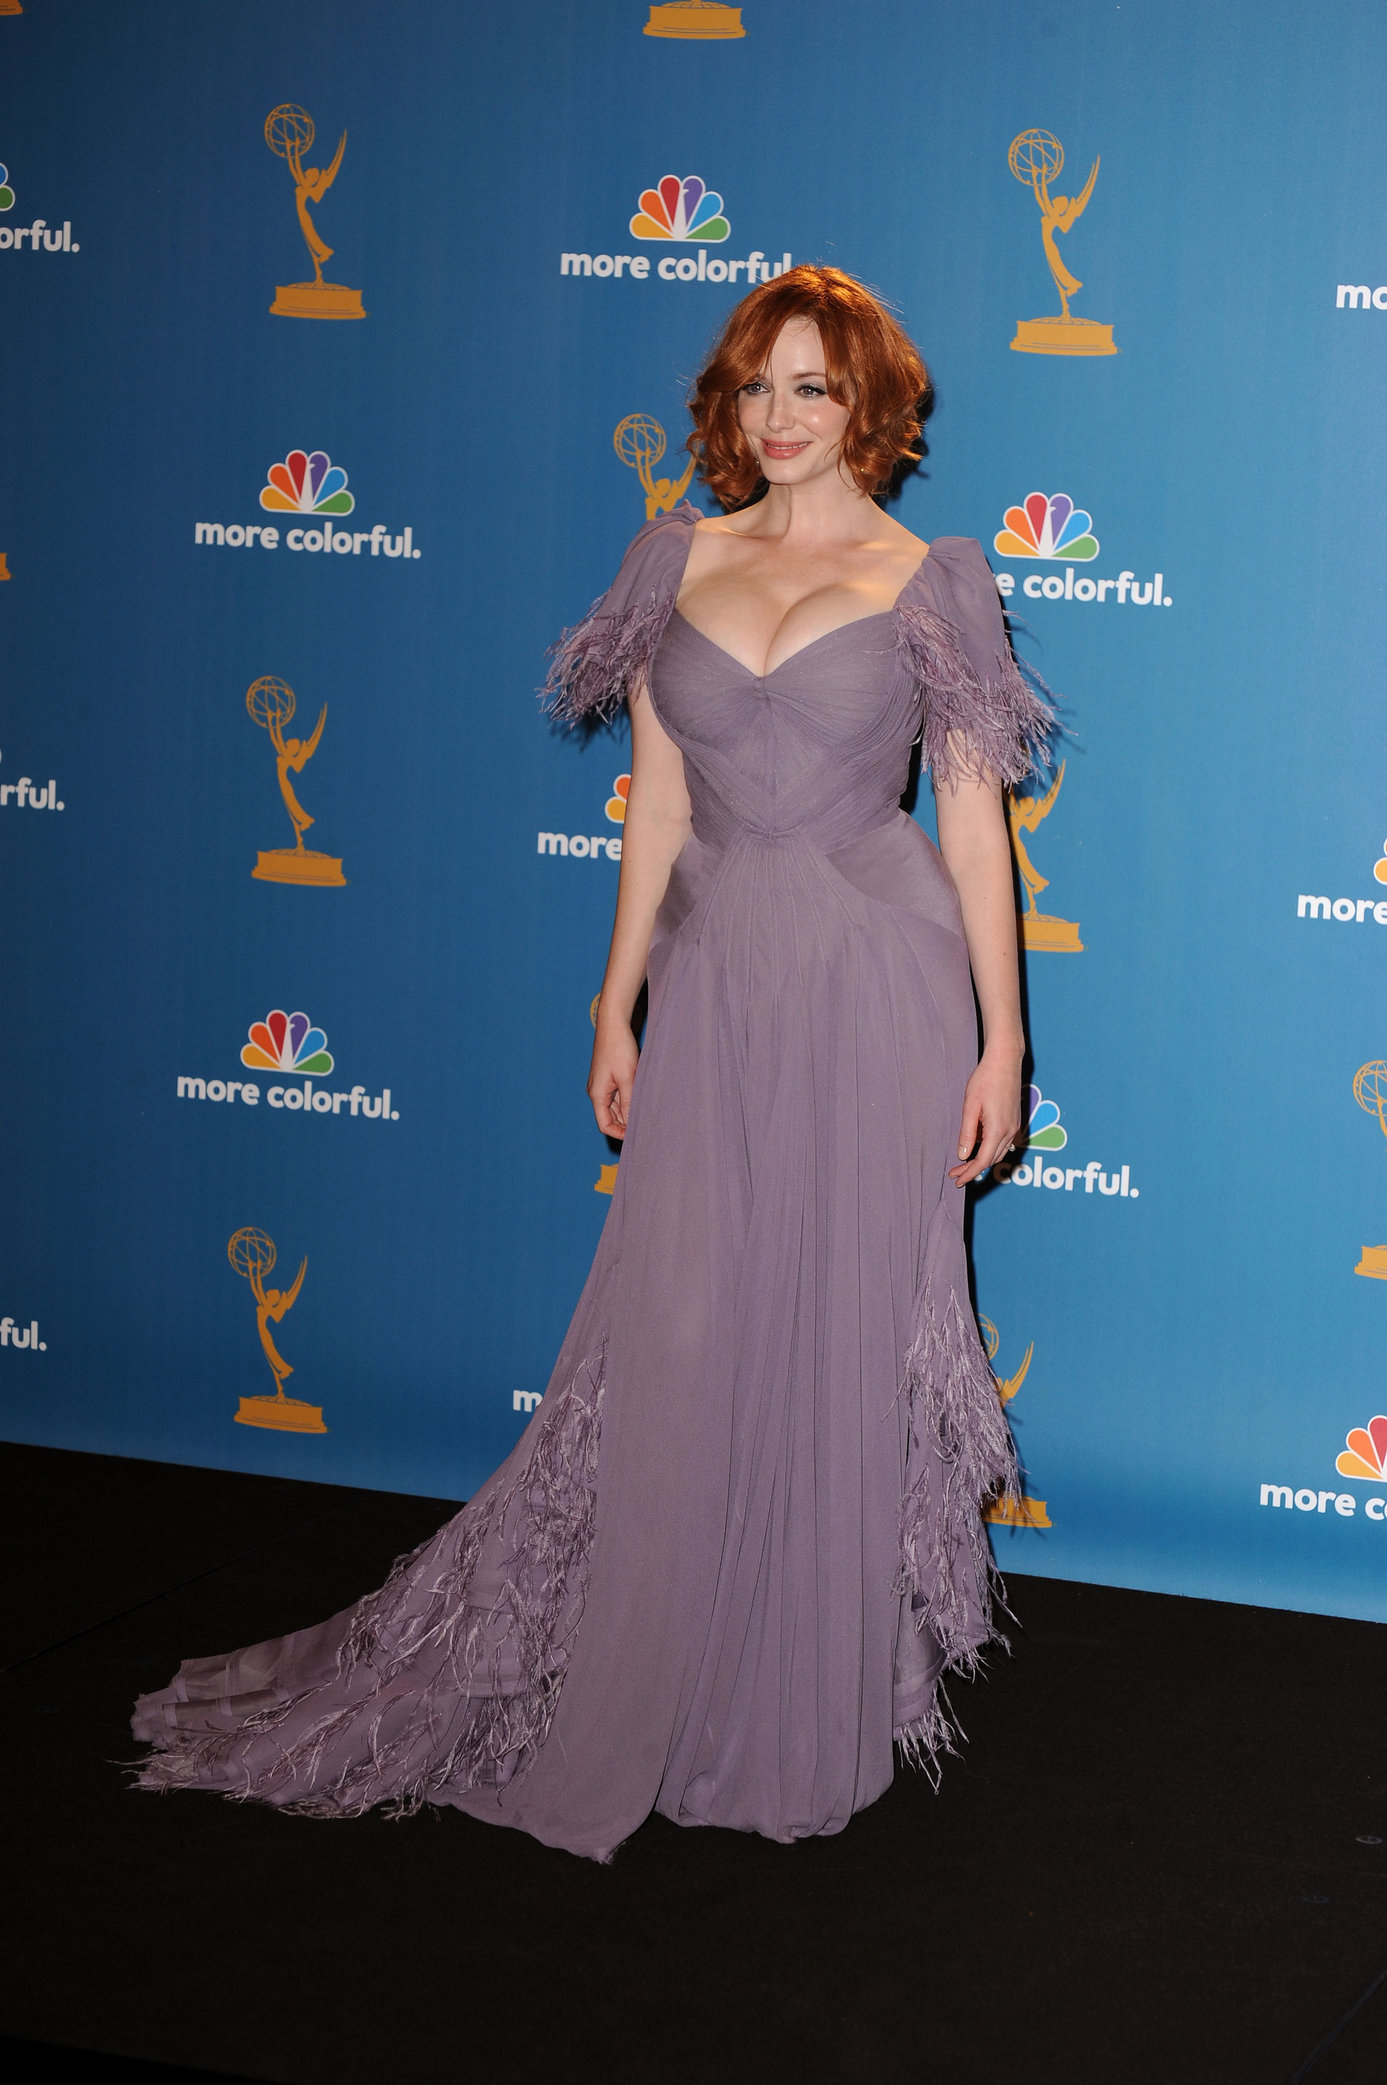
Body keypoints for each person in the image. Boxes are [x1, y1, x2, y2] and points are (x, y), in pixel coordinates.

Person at [132, 266, 1051, 1862]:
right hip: (713, 976)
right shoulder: (671, 559)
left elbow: (970, 825)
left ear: (871, 406)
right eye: (756, 387)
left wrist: (1004, 1038)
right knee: (683, 1325)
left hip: (872, 983)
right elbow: (661, 804)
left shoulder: (932, 579)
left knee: (834, 1322)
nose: (778, 419)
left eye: (812, 389)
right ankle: (669, 1663)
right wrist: (615, 999)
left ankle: (806, 1700)